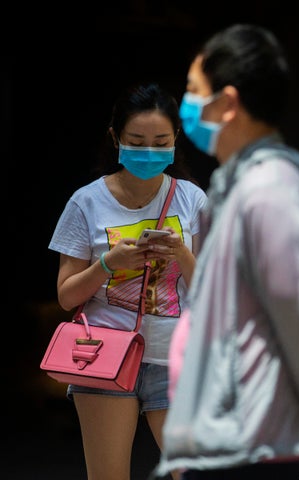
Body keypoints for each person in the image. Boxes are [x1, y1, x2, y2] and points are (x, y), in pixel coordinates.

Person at [153, 24, 299, 480]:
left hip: (251, 445)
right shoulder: (236, 186)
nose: (187, 103)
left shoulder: (270, 191)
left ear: (229, 102)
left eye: (194, 90)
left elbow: (296, 320)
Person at [47, 82, 208, 480]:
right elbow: (67, 296)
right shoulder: (85, 202)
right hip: (103, 355)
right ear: (115, 138)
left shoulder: (191, 199)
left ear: (175, 141)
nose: (149, 152)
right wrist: (108, 263)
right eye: (137, 141)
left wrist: (182, 254)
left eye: (160, 142)